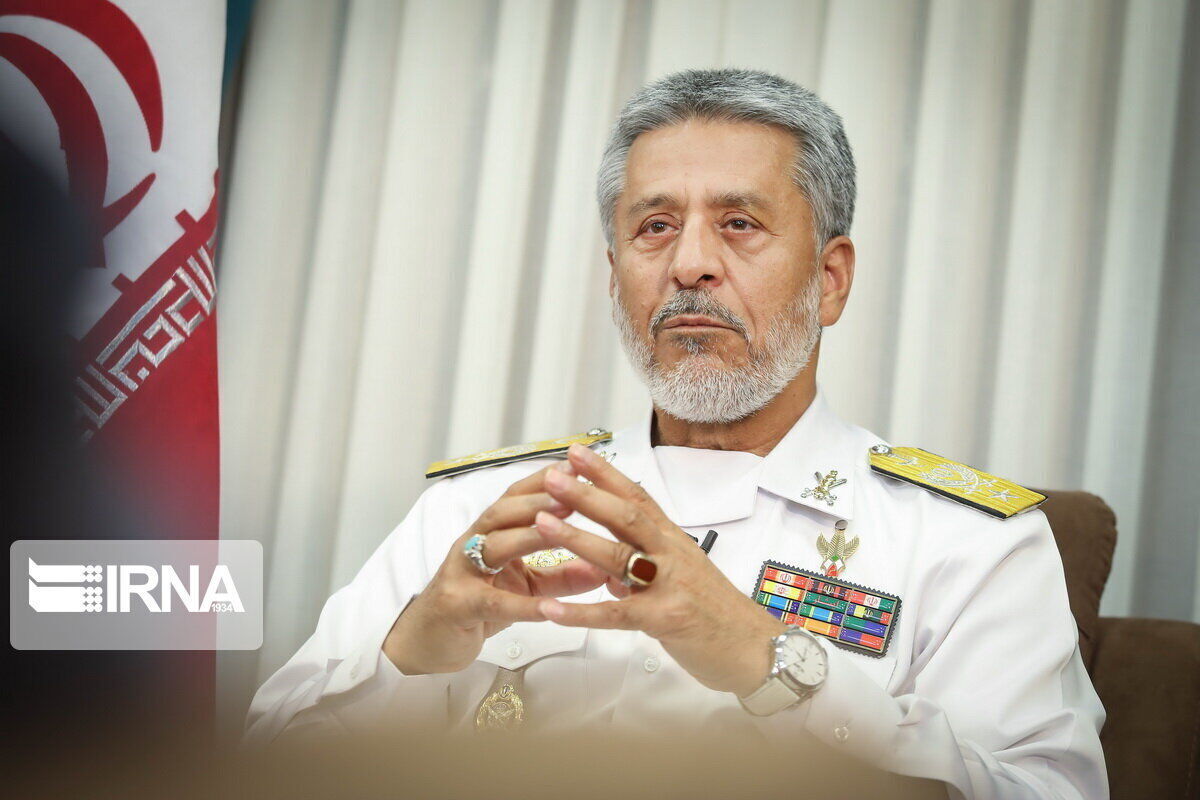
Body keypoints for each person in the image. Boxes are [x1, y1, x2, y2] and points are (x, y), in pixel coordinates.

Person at [245, 68, 1107, 798]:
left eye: (740, 224)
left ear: (831, 280)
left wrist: (775, 663)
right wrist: (406, 656)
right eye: (655, 227)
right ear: (614, 275)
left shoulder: (966, 543)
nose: (689, 264)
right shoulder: (481, 509)